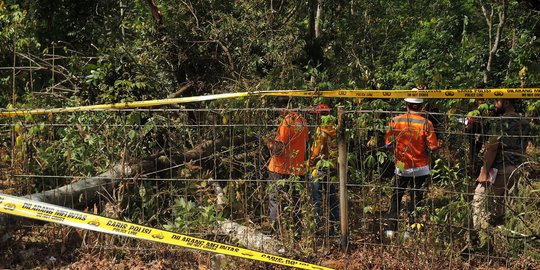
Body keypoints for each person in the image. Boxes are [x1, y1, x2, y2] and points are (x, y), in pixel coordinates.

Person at [384, 92, 439, 237]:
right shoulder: (426, 123)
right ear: (421, 106)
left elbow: (388, 144)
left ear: (405, 105)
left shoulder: (395, 121)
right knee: (416, 197)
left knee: (397, 195)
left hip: (402, 165)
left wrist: (397, 152)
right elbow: (433, 147)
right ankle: (411, 231)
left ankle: (391, 229)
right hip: (421, 167)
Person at [472, 99, 530, 231]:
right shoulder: (525, 123)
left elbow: (492, 148)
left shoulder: (499, 122)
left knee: (480, 201)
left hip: (499, 169)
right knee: (503, 204)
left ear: (506, 102)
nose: (493, 105)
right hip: (516, 168)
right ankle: (502, 235)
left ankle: (481, 236)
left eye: (496, 101)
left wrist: (484, 172)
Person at [263, 96, 309, 240]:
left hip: (280, 168)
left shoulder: (286, 122)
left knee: (275, 200)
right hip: (297, 169)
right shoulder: (302, 120)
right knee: (296, 203)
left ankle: (273, 235)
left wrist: (268, 142)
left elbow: (279, 148)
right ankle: (297, 235)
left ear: (282, 107)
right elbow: (304, 142)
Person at [308, 104, 339, 236]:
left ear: (319, 117)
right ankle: (336, 228)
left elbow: (316, 152)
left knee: (317, 199)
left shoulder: (321, 131)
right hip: (333, 168)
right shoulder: (336, 130)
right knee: (333, 199)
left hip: (319, 168)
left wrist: (309, 163)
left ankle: (317, 228)